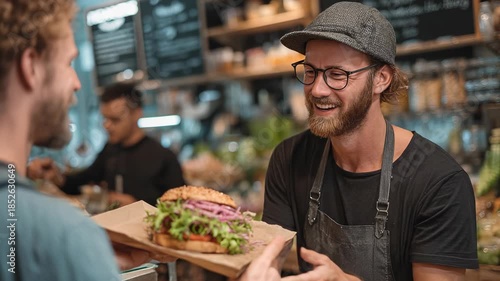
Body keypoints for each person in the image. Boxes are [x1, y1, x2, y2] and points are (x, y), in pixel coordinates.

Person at [244, 2, 478, 281]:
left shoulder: (439, 182)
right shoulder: (290, 158)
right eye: (310, 71)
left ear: (381, 78)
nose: (317, 90)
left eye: (337, 74)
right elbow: (269, 256)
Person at [0, 1, 173, 280]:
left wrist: (84, 259)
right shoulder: (63, 233)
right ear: (31, 66)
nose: (77, 82)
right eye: (69, 63)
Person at [28, 82, 186, 206]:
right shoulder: (110, 150)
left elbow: (182, 205)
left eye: (115, 120)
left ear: (137, 114)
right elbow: (82, 181)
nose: (107, 125)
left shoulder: (164, 158)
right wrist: (56, 177)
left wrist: (138, 205)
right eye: (105, 118)